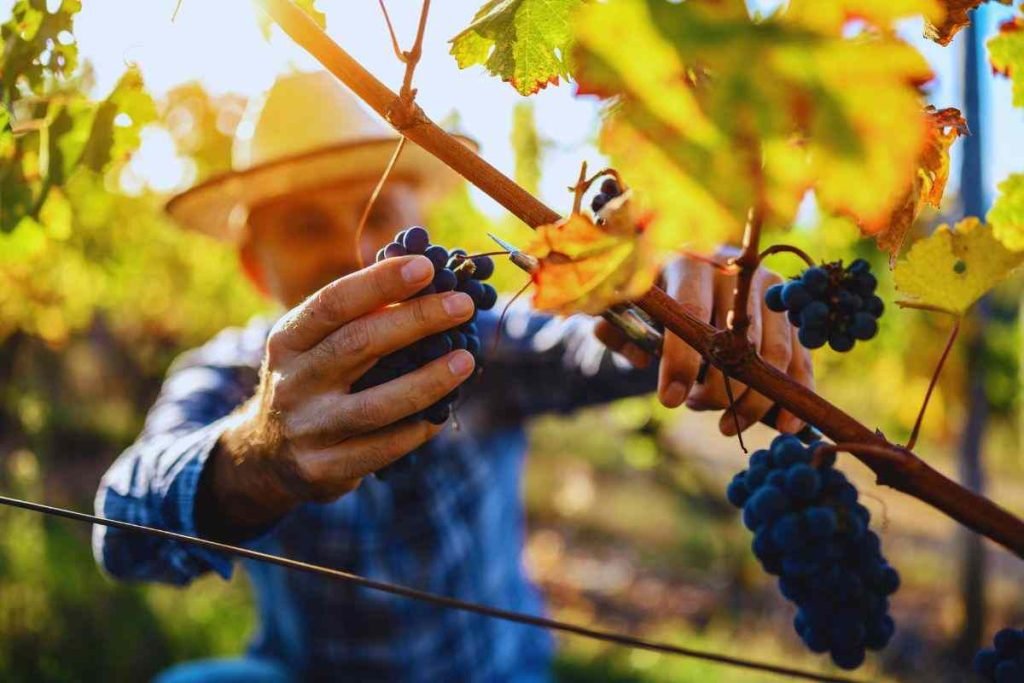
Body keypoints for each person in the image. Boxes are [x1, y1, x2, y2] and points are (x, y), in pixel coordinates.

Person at [92, 70, 813, 682]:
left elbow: (585, 343)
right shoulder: (232, 375)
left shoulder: (483, 341)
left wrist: (680, 302)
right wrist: (257, 454)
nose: (359, 251)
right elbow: (121, 531)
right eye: (307, 226)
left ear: (420, 218)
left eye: (381, 214)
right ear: (256, 267)